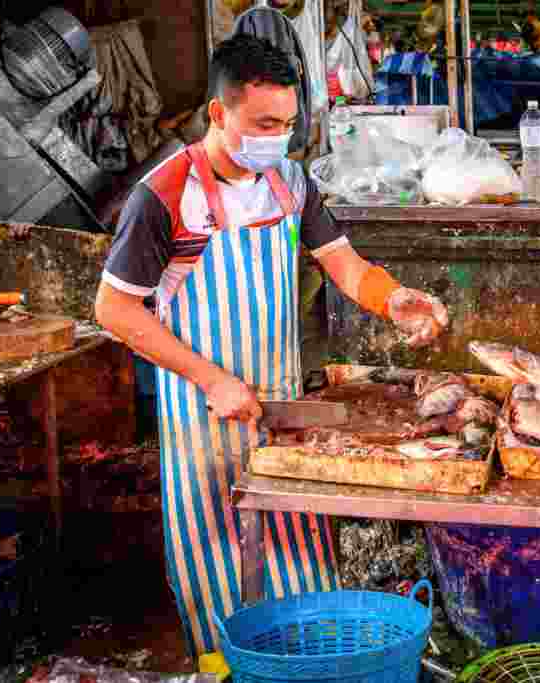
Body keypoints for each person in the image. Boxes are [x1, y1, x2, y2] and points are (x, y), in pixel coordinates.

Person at [94, 34, 448, 657]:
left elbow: (344, 265)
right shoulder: (166, 195)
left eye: (286, 124)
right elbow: (114, 308)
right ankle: (234, 664)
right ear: (218, 113)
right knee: (218, 562)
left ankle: (310, 664)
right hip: (202, 418)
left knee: (298, 557)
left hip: (280, 410)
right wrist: (210, 378)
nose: (276, 137)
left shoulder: (289, 181)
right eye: (262, 123)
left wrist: (393, 299)